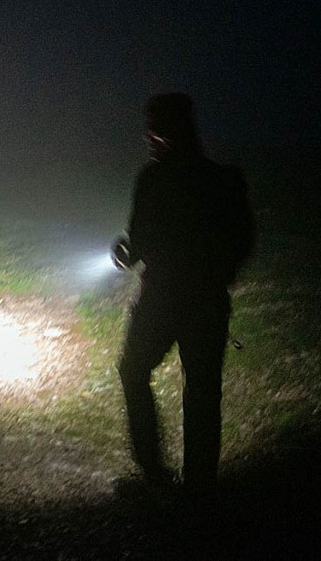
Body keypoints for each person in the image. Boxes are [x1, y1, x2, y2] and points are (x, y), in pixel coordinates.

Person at [113, 93, 254, 493]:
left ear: (163, 131)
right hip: (207, 302)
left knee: (134, 370)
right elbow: (243, 239)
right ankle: (199, 487)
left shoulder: (154, 178)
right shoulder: (223, 178)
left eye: (152, 127)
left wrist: (125, 253)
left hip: (161, 298)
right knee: (203, 390)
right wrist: (217, 279)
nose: (147, 136)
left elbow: (137, 244)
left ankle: (154, 472)